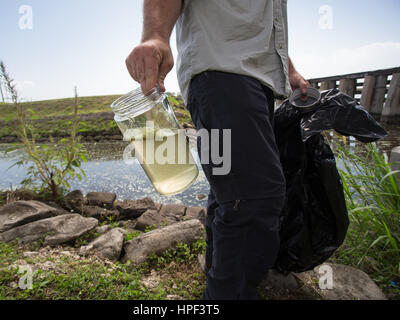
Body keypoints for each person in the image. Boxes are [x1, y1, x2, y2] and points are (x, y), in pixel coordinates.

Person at [125, 0, 310, 300]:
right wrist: (156, 35)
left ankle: (218, 276)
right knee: (255, 197)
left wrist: (288, 70)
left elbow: (267, 22)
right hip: (221, 74)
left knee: (231, 190)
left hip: (255, 81)